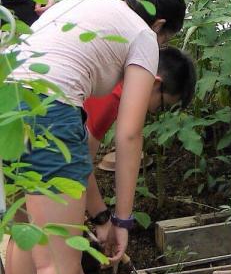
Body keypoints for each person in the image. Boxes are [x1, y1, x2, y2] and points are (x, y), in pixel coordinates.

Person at [6, 0, 191, 274]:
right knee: (58, 264)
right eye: (166, 39)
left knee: (26, 234)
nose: (161, 46)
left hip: (7, 104)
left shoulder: (82, 4)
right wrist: (122, 220)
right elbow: (129, 134)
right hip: (48, 109)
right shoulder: (143, 35)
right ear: (159, 26)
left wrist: (102, 217)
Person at [81, 47, 197, 251]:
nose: (154, 112)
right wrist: (102, 218)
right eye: (162, 106)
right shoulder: (112, 95)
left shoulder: (113, 75)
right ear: (155, 83)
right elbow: (79, 166)